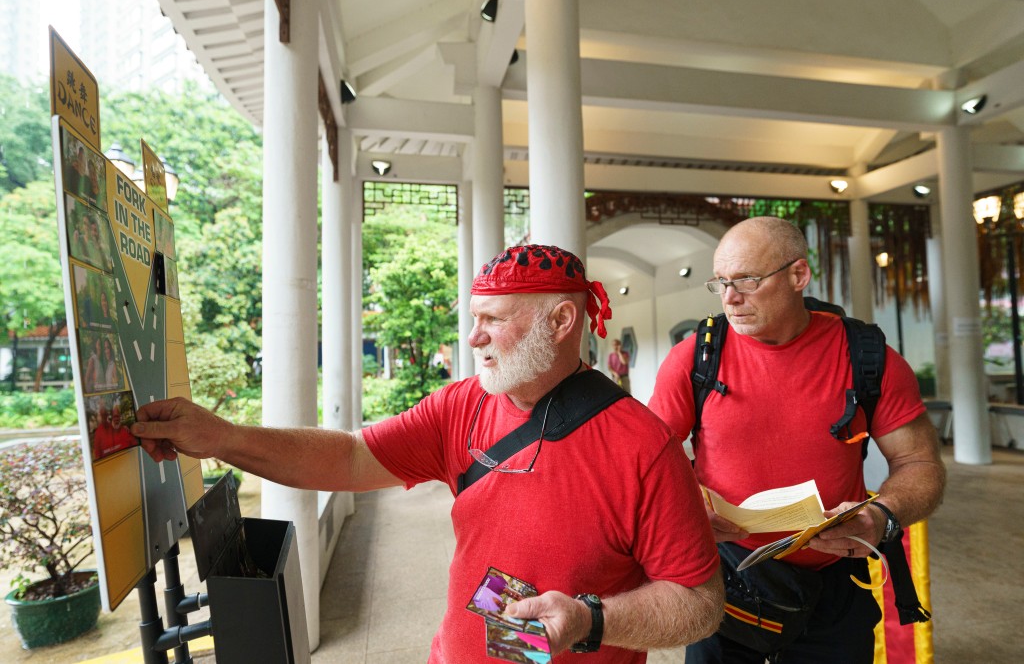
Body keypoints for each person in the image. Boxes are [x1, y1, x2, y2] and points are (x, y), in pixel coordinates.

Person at [130, 244, 724, 662]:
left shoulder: (642, 446)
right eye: (474, 319)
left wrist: (591, 622)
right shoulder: (461, 406)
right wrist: (224, 438)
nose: (473, 338)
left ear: (562, 320)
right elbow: (348, 459)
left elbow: (699, 603)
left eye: (493, 320)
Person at [648, 216, 946, 664]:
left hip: (834, 585)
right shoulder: (696, 357)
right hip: (727, 577)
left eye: (747, 280)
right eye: (721, 283)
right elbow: (650, 463)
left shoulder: (867, 357)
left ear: (798, 275)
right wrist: (688, 509)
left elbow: (921, 466)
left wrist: (882, 516)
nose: (730, 298)